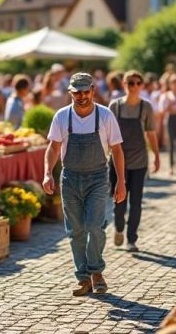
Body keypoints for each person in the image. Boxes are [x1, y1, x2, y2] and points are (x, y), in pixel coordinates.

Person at [42, 72, 126, 296]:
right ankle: (83, 278)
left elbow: (117, 150)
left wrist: (121, 183)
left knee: (95, 227)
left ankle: (96, 271)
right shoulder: (61, 116)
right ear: (70, 93)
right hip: (70, 178)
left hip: (98, 178)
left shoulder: (105, 116)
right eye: (76, 92)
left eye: (85, 91)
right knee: (76, 231)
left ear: (93, 91)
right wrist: (47, 173)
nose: (81, 96)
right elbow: (53, 147)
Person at [108, 70, 159, 252]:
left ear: (142, 85)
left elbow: (151, 133)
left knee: (136, 202)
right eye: (131, 83)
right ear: (124, 84)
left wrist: (157, 155)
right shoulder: (115, 106)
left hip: (139, 161)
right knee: (119, 203)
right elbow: (106, 134)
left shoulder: (146, 107)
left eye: (138, 83)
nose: (134, 86)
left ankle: (132, 239)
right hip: (116, 162)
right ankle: (119, 227)